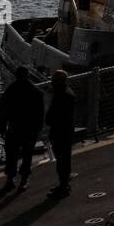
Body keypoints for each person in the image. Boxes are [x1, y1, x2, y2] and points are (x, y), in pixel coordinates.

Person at [0, 66, 44, 195]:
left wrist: (1, 127)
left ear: (16, 75)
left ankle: (10, 179)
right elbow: (40, 113)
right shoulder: (35, 91)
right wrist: (38, 128)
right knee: (27, 154)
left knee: (11, 155)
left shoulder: (10, 91)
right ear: (27, 75)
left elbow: (3, 112)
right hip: (30, 129)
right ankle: (24, 178)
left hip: (14, 128)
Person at [45, 69, 76, 200]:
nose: (51, 81)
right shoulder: (69, 92)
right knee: (65, 159)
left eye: (53, 79)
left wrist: (49, 119)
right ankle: (64, 184)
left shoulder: (61, 95)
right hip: (67, 130)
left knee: (62, 160)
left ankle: (63, 187)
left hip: (60, 131)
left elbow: (52, 115)